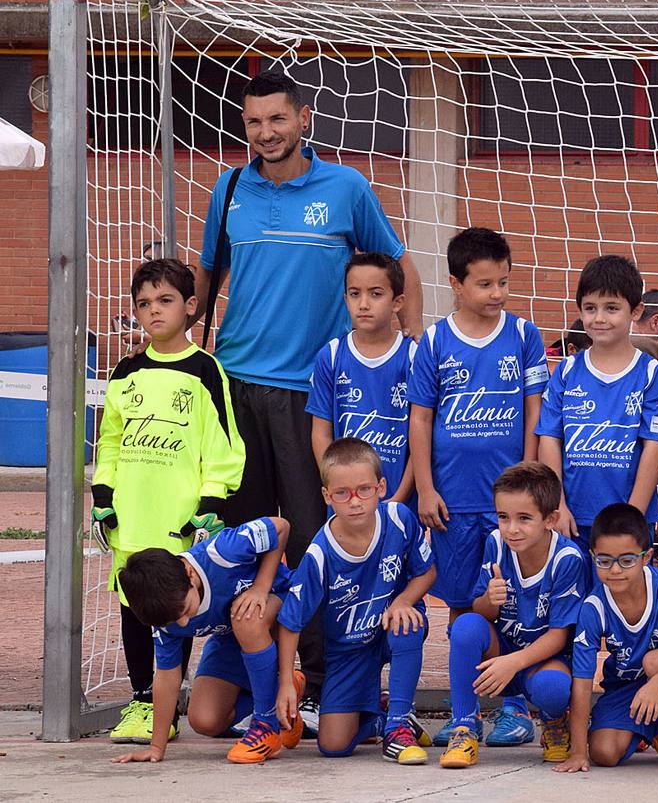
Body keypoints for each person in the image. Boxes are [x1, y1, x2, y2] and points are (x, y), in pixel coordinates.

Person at [194, 70, 424, 730]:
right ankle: (248, 674)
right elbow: (209, 272)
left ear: (304, 118)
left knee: (311, 539)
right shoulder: (230, 188)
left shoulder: (345, 187)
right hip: (234, 386)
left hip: (307, 392)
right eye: (253, 122)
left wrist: (412, 342)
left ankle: (323, 681)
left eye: (277, 119)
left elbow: (397, 265)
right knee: (237, 538)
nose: (266, 133)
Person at [91, 258, 245, 745]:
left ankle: (222, 695)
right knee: (134, 608)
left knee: (186, 610)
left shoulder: (205, 371)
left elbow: (224, 447)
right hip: (132, 518)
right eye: (143, 304)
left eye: (165, 301)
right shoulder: (126, 370)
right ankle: (144, 701)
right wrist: (103, 494)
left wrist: (212, 502)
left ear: (190, 306)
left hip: (180, 523)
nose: (153, 312)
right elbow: (110, 440)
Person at [406, 227, 549, 746]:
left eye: (504, 282)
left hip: (508, 507)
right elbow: (420, 420)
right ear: (456, 285)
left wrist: (531, 480)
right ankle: (464, 709)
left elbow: (535, 410)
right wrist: (425, 487)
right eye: (485, 284)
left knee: (513, 603)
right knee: (465, 607)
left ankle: (515, 708)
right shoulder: (436, 341)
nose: (497, 294)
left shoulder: (524, 335)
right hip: (453, 502)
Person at [275, 438, 437, 765]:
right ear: (326, 496)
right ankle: (378, 719)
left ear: (380, 487)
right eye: (342, 493)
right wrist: (284, 685)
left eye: (364, 490)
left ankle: (398, 725)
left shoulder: (399, 519)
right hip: (349, 647)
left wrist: (403, 600)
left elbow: (427, 573)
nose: (355, 502)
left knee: (407, 623)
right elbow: (291, 622)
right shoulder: (319, 554)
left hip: (392, 628)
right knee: (333, 745)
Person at [109, 516, 302, 765]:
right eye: (173, 621)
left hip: (281, 601)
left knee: (246, 618)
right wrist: (157, 748)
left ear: (189, 573)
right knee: (205, 720)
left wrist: (261, 588)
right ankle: (284, 691)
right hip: (232, 634)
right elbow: (167, 678)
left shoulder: (222, 552)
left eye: (185, 610)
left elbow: (281, 526)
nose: (183, 624)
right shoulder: (166, 617)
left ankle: (266, 724)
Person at [439, 462, 589, 769]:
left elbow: (560, 636)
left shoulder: (568, 558)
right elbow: (481, 612)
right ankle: (464, 727)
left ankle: (554, 721)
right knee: (464, 626)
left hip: (544, 659)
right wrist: (490, 599)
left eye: (524, 518)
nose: (511, 528)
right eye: (503, 517)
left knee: (553, 688)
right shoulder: (496, 542)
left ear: (551, 519)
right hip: (503, 653)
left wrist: (514, 663)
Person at [537, 255, 658, 558]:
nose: (599, 318)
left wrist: (632, 516)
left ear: (635, 311)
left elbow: (655, 445)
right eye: (590, 308)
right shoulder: (567, 371)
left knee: (625, 601)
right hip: (572, 519)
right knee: (572, 601)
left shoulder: (650, 373)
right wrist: (558, 505)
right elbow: (549, 439)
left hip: (628, 520)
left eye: (611, 308)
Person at [554, 504, 658, 774]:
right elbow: (582, 681)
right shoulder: (593, 607)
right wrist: (578, 753)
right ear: (593, 557)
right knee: (604, 753)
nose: (615, 570)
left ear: (646, 557)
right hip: (625, 686)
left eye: (626, 560)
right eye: (604, 560)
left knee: (656, 659)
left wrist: (657, 684)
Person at [306, 252, 417, 506]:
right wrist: (338, 490)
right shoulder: (331, 356)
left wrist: (399, 498)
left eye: (376, 294)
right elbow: (321, 433)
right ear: (345, 299)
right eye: (355, 294)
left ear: (397, 302)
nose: (364, 304)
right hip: (347, 503)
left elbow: (422, 435)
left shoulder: (414, 356)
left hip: (400, 501)